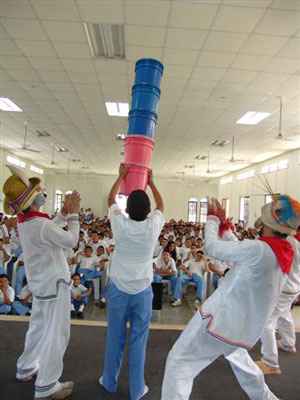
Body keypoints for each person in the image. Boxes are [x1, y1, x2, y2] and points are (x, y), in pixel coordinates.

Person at [162, 195, 300, 400]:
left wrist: (212, 219)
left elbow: (213, 248)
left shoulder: (259, 249)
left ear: (268, 225)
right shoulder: (282, 248)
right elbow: (243, 252)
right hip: (243, 327)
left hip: (223, 320)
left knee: (179, 362)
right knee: (240, 360)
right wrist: (226, 227)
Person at [2, 165, 80, 400]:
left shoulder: (27, 221)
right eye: (39, 190)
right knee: (56, 334)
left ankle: (26, 367)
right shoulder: (40, 224)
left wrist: (63, 214)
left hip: (40, 284)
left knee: (38, 327)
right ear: (34, 197)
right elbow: (70, 240)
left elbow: (47, 230)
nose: (42, 191)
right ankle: (47, 384)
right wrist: (74, 215)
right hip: (54, 284)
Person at [100, 164, 164, 400]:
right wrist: (151, 182)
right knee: (138, 342)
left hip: (119, 290)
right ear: (148, 210)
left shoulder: (121, 224)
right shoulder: (152, 226)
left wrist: (121, 177)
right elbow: (162, 206)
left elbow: (110, 199)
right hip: (143, 292)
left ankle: (109, 382)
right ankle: (137, 390)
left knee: (115, 337)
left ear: (126, 208)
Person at [256, 224, 300, 374]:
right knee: (284, 314)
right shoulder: (296, 241)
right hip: (294, 286)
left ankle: (270, 361)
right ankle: (288, 343)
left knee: (266, 320)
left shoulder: (289, 241)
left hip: (284, 287)